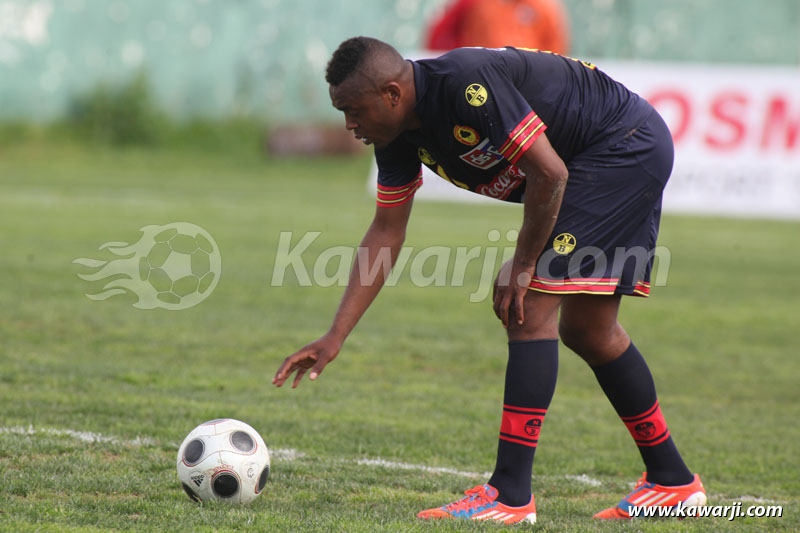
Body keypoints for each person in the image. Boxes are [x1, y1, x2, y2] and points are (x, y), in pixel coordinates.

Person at [272, 36, 707, 523]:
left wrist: (523, 264)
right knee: (588, 330)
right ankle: (672, 481)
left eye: (353, 109)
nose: (349, 124)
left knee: (529, 308)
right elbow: (387, 229)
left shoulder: (464, 86)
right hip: (600, 159)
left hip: (620, 147)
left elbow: (550, 172)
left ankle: (510, 495)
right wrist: (336, 334)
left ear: (392, 94)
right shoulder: (394, 134)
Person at [426, 0, 570, 55]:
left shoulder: (544, 7)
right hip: (479, 79)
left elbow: (556, 48)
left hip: (526, 84)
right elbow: (440, 35)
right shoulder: (473, 3)